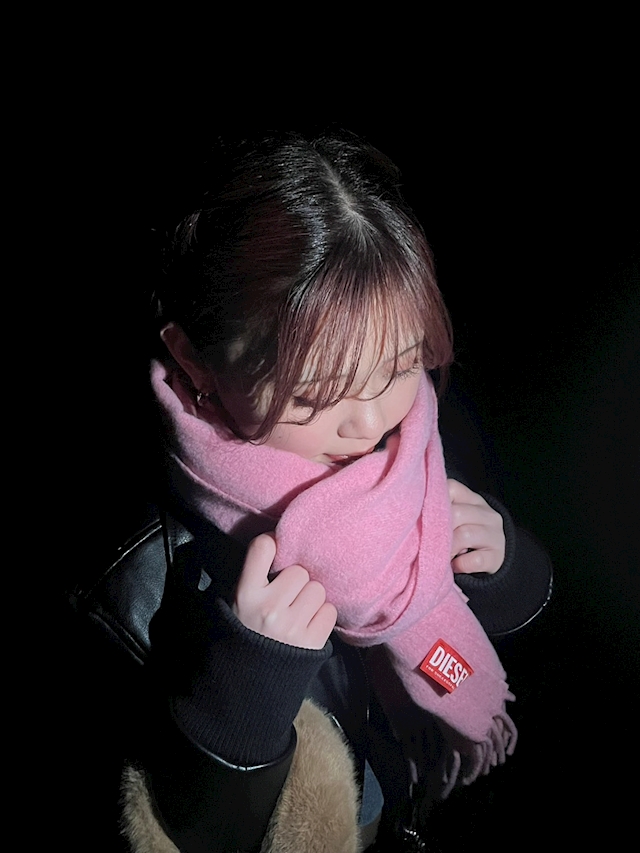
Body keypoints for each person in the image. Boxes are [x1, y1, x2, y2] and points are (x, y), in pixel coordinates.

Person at [68, 129, 552, 852]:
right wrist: (246, 682)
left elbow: (525, 644)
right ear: (195, 362)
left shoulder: (414, 442)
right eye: (317, 395)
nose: (371, 422)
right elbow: (184, 829)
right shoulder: (136, 575)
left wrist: (506, 568)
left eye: (400, 366)